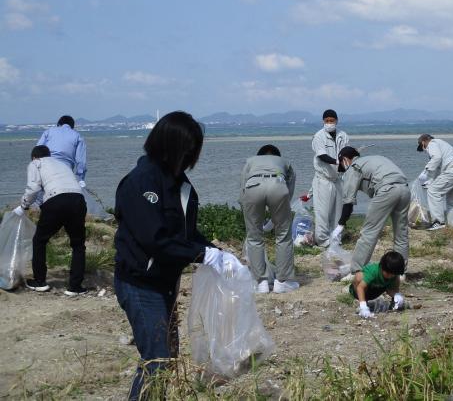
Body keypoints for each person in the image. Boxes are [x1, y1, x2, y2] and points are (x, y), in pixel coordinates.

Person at [113, 111, 242, 400]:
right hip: (139, 283)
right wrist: (201, 255)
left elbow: (186, 234)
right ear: (167, 145)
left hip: (164, 283)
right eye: (186, 147)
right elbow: (155, 240)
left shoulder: (183, 187)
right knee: (157, 359)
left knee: (167, 357)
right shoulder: (140, 183)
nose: (190, 155)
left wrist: (215, 252)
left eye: (194, 148)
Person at [16, 145, 88, 295]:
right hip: (78, 200)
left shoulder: (36, 163)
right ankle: (75, 287)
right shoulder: (62, 164)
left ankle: (40, 281)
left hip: (56, 200)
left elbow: (33, 188)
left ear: (35, 157)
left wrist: (24, 205)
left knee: (40, 240)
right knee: (78, 244)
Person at [332, 147, 410, 274]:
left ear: (345, 159)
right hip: (405, 189)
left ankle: (357, 271)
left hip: (387, 191)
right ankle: (400, 272)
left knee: (369, 232)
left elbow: (348, 202)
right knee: (401, 233)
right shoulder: (372, 159)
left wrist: (340, 225)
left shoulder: (354, 167)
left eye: (341, 163)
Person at [240, 144, 299, 294]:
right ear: (277, 156)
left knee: (254, 237)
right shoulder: (284, 162)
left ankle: (261, 283)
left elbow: (242, 187)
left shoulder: (250, 161)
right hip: (278, 185)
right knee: (283, 236)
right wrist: (279, 215)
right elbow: (289, 190)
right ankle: (282, 282)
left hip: (253, 186)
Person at [310, 109, 349, 247]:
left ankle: (336, 237)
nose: (329, 123)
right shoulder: (319, 136)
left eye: (331, 120)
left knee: (338, 211)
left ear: (336, 121)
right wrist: (337, 162)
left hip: (338, 179)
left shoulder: (342, 135)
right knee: (323, 211)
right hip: (323, 179)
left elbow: (346, 152)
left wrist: (347, 162)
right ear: (323, 121)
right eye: (326, 121)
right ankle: (322, 240)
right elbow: (322, 156)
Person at [416, 134, 453, 230]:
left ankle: (438, 222)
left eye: (422, 147)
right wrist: (429, 180)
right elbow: (438, 169)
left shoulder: (432, 143)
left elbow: (436, 158)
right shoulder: (441, 144)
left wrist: (425, 172)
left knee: (433, 192)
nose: (424, 149)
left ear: (423, 142)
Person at [349, 250, 406, 319]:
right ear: (382, 267)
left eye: (393, 274)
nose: (390, 276)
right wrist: (363, 306)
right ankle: (361, 301)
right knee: (359, 276)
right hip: (361, 290)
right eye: (388, 273)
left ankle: (389, 304)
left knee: (396, 279)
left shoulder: (394, 276)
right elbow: (360, 288)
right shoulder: (374, 271)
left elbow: (391, 290)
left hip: (376, 290)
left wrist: (397, 296)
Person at [37, 115, 87, 186]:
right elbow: (81, 161)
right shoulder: (77, 136)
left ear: (59, 124)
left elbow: (38, 150)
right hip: (66, 172)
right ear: (72, 127)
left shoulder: (48, 132)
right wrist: (80, 179)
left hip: (46, 169)